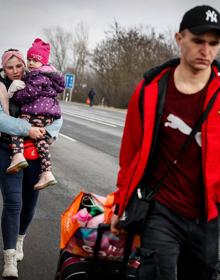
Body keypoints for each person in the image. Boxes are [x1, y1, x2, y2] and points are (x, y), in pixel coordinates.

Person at [111, 5, 220, 280]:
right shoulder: (150, 90)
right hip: (162, 210)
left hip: (208, 216)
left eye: (214, 43)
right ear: (179, 39)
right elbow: (131, 152)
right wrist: (119, 205)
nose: (206, 50)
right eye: (197, 41)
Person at [0, 49, 63, 278]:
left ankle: (19, 241)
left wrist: (48, 133)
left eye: (19, 66)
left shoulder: (34, 80)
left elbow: (57, 114)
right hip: (7, 149)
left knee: (29, 204)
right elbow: (1, 120)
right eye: (10, 67)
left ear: (25, 65)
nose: (15, 71)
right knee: (13, 203)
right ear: (3, 68)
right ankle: (9, 260)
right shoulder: (1, 86)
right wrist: (28, 129)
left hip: (34, 150)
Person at [6, 38, 65, 191]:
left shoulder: (38, 76)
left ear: (43, 62)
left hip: (35, 113)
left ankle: (18, 155)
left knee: (17, 127)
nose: (31, 63)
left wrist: (15, 94)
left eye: (34, 60)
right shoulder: (46, 75)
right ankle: (47, 172)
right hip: (45, 115)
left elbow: (29, 93)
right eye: (29, 59)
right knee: (41, 141)